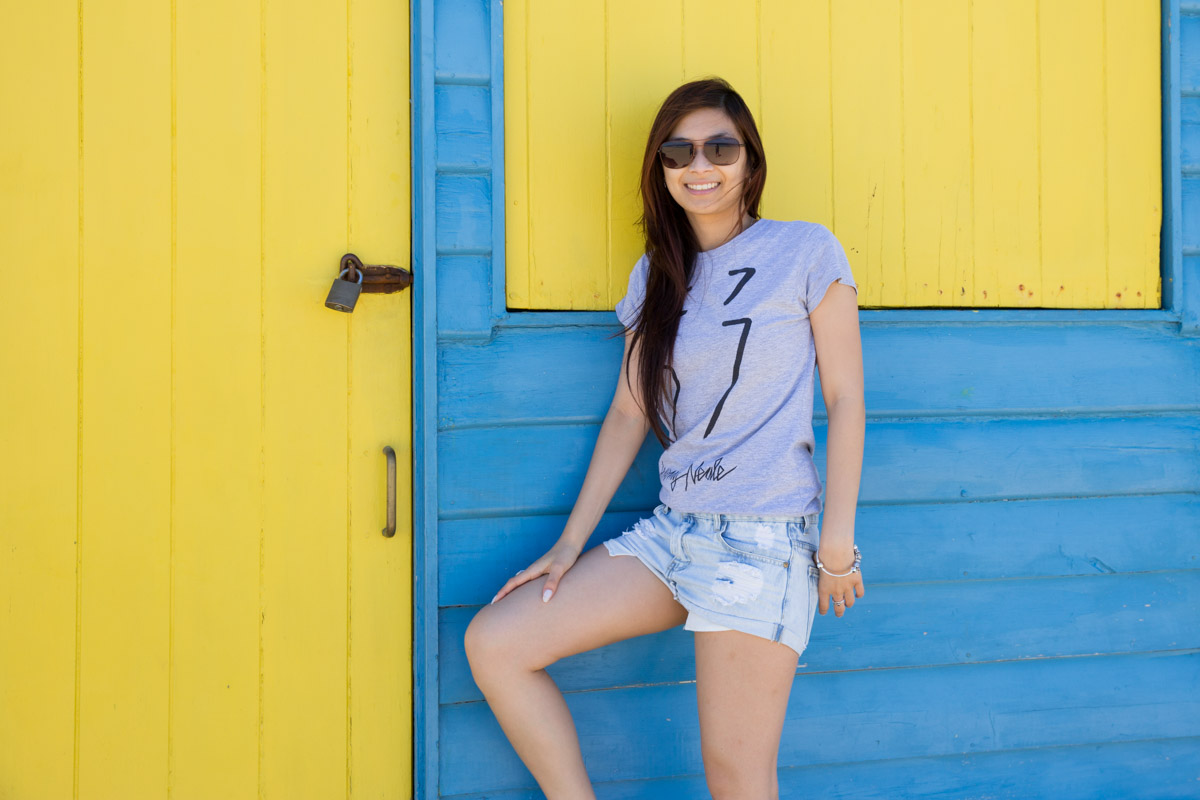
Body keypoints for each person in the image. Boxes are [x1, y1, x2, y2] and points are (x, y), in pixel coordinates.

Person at [464, 76, 866, 800]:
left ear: (750, 162)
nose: (700, 166)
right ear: (662, 170)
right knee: (496, 643)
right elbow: (628, 414)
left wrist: (836, 544)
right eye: (678, 152)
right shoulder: (656, 276)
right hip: (673, 533)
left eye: (720, 148)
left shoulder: (805, 251)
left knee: (736, 779)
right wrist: (566, 546)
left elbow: (846, 397)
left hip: (761, 540)